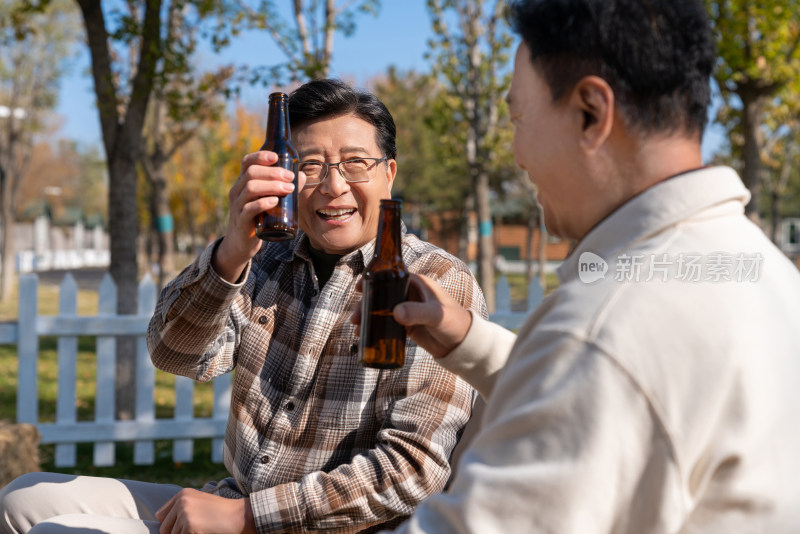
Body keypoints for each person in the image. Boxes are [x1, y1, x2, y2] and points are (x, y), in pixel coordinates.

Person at [362, 0, 800, 532]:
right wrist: (467, 341)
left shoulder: (607, 325)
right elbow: (617, 401)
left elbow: (602, 369)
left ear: (591, 111)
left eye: (519, 117)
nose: (519, 155)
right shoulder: (761, 269)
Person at [0, 79, 487, 533]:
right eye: (310, 165)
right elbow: (173, 353)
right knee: (22, 499)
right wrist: (231, 252)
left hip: (322, 525)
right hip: (234, 499)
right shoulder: (265, 257)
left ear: (389, 173)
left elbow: (411, 471)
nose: (333, 186)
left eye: (355, 163)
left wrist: (246, 517)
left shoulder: (434, 282)